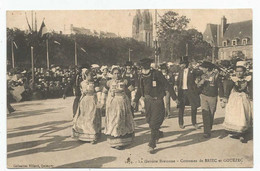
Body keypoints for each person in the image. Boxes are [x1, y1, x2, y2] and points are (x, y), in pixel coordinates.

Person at [132, 58, 178, 154]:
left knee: (154, 123)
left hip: (157, 101)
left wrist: (174, 98)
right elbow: (140, 90)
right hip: (147, 102)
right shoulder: (141, 76)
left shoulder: (157, 74)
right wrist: (135, 100)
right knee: (149, 121)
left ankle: (152, 144)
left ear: (149, 65)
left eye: (146, 65)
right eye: (142, 65)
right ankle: (158, 133)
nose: (144, 67)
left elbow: (167, 85)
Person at [101, 66, 135, 150]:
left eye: (118, 73)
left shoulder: (125, 81)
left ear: (121, 73)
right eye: (115, 73)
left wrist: (134, 99)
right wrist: (102, 102)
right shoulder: (109, 82)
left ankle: (123, 140)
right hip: (112, 104)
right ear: (112, 74)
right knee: (114, 120)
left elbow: (133, 90)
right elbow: (104, 92)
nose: (117, 75)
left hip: (123, 102)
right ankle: (115, 141)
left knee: (122, 120)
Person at [220, 61, 253, 143]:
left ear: (244, 71)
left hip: (244, 98)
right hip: (235, 99)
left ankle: (243, 133)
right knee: (236, 115)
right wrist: (225, 98)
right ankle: (237, 132)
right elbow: (227, 90)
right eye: (237, 71)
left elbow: (251, 89)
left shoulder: (248, 79)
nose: (239, 73)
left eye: (241, 71)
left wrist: (252, 97)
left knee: (244, 114)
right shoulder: (233, 79)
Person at [72, 67, 102, 143]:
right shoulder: (82, 83)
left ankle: (92, 135)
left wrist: (99, 101)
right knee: (83, 117)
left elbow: (98, 92)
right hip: (84, 101)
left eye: (92, 75)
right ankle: (83, 135)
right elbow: (80, 93)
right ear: (86, 75)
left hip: (92, 100)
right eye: (89, 75)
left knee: (91, 118)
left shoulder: (95, 83)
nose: (91, 77)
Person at [196, 61, 222, 138]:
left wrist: (222, 97)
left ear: (207, 68)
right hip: (203, 96)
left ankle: (208, 127)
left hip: (213, 96)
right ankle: (206, 131)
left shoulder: (216, 75)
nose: (201, 69)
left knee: (211, 113)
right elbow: (197, 85)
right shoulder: (202, 75)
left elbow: (220, 86)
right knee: (205, 113)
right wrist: (202, 81)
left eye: (203, 68)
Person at [176, 56, 200, 129]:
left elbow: (200, 74)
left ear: (186, 64)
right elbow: (177, 81)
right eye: (180, 64)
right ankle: (181, 123)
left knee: (194, 107)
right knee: (181, 107)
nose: (181, 65)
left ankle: (194, 123)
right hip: (182, 92)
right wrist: (176, 86)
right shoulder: (180, 71)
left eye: (182, 64)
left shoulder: (192, 71)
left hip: (190, 91)